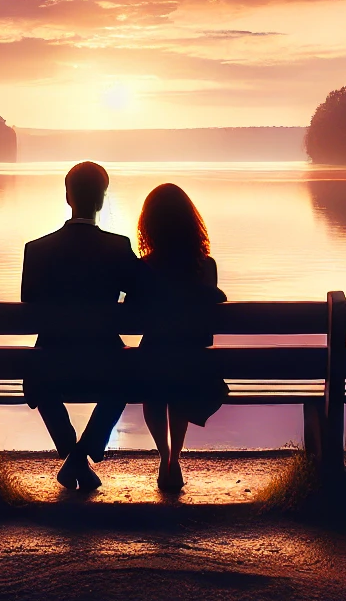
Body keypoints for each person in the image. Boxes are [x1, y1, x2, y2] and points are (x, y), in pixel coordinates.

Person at [20, 161, 139, 491]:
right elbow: (144, 294)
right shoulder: (118, 247)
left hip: (50, 366)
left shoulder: (37, 250)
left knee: (39, 381)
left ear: (68, 197)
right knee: (127, 380)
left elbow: (28, 303)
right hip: (106, 366)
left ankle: (73, 454)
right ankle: (80, 456)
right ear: (101, 200)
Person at [128, 182, 228, 492]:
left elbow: (130, 317)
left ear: (149, 225)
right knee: (180, 382)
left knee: (155, 387)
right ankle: (175, 459)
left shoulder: (144, 268)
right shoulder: (205, 266)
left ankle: (165, 455)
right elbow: (209, 330)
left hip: (154, 357)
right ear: (190, 222)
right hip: (193, 361)